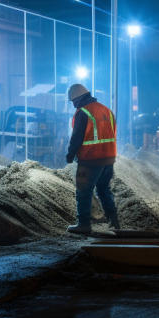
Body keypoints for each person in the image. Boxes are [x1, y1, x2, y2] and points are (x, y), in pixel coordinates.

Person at [65, 83, 121, 234]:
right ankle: (114, 221)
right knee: (104, 189)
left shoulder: (83, 112)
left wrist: (70, 155)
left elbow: (76, 137)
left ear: (77, 99)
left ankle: (83, 224)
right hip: (109, 158)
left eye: (73, 102)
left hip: (90, 159)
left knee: (84, 190)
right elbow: (112, 133)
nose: (73, 105)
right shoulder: (106, 110)